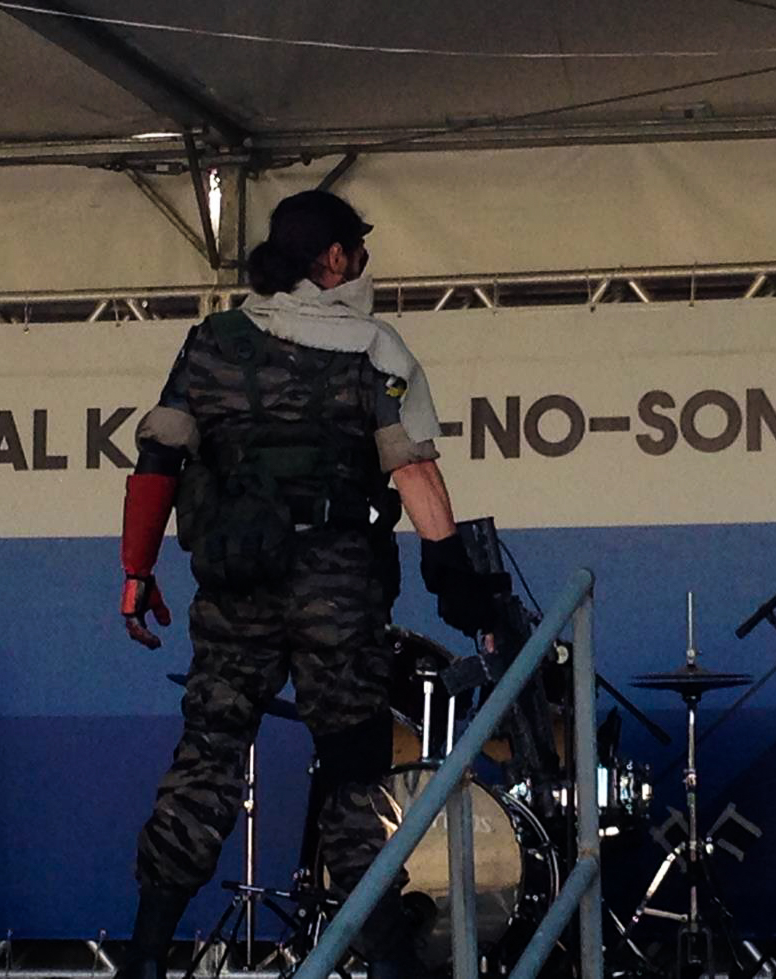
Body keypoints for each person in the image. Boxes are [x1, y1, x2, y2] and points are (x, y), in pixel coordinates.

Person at [114, 189, 502, 979]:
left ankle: (147, 954)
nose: (363, 265)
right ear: (332, 259)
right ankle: (387, 958)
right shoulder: (375, 348)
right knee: (354, 774)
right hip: (339, 593)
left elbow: (159, 457)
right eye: (358, 252)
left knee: (207, 759)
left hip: (236, 584)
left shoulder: (211, 342)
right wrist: (455, 580)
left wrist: (136, 570)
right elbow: (413, 470)